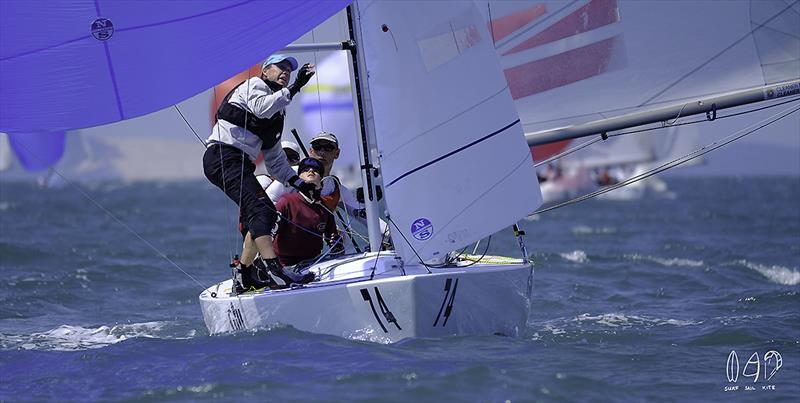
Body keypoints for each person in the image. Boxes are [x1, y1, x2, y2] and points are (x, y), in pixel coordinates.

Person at [202, 54, 317, 294]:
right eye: (280, 67)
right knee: (260, 210)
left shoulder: (279, 111)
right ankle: (274, 270)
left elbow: (275, 160)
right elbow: (261, 109)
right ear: (265, 71)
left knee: (266, 213)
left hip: (239, 162)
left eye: (290, 69)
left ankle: (244, 276)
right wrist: (296, 87)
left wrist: (298, 183)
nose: (286, 72)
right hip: (222, 156)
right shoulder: (254, 86)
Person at [273, 157, 342, 268]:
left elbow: (333, 240)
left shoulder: (324, 208)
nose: (311, 171)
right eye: (305, 170)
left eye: (316, 170)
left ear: (321, 179)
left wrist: (337, 245)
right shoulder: (286, 201)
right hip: (285, 266)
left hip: (314, 264)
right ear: (298, 178)